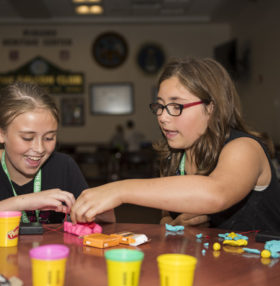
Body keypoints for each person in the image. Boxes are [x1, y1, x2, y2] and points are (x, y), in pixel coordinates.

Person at [70, 57, 280, 232]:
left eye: (176, 106)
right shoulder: (175, 157)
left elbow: (216, 193)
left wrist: (120, 190)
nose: (162, 117)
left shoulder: (244, 148)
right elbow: (165, 218)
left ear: (211, 108)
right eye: (160, 106)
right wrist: (174, 225)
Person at [0, 82, 114, 231]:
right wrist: (23, 202)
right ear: (0, 133)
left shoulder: (63, 165)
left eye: (49, 138)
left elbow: (107, 220)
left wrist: (98, 208)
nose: (40, 149)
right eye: (27, 138)